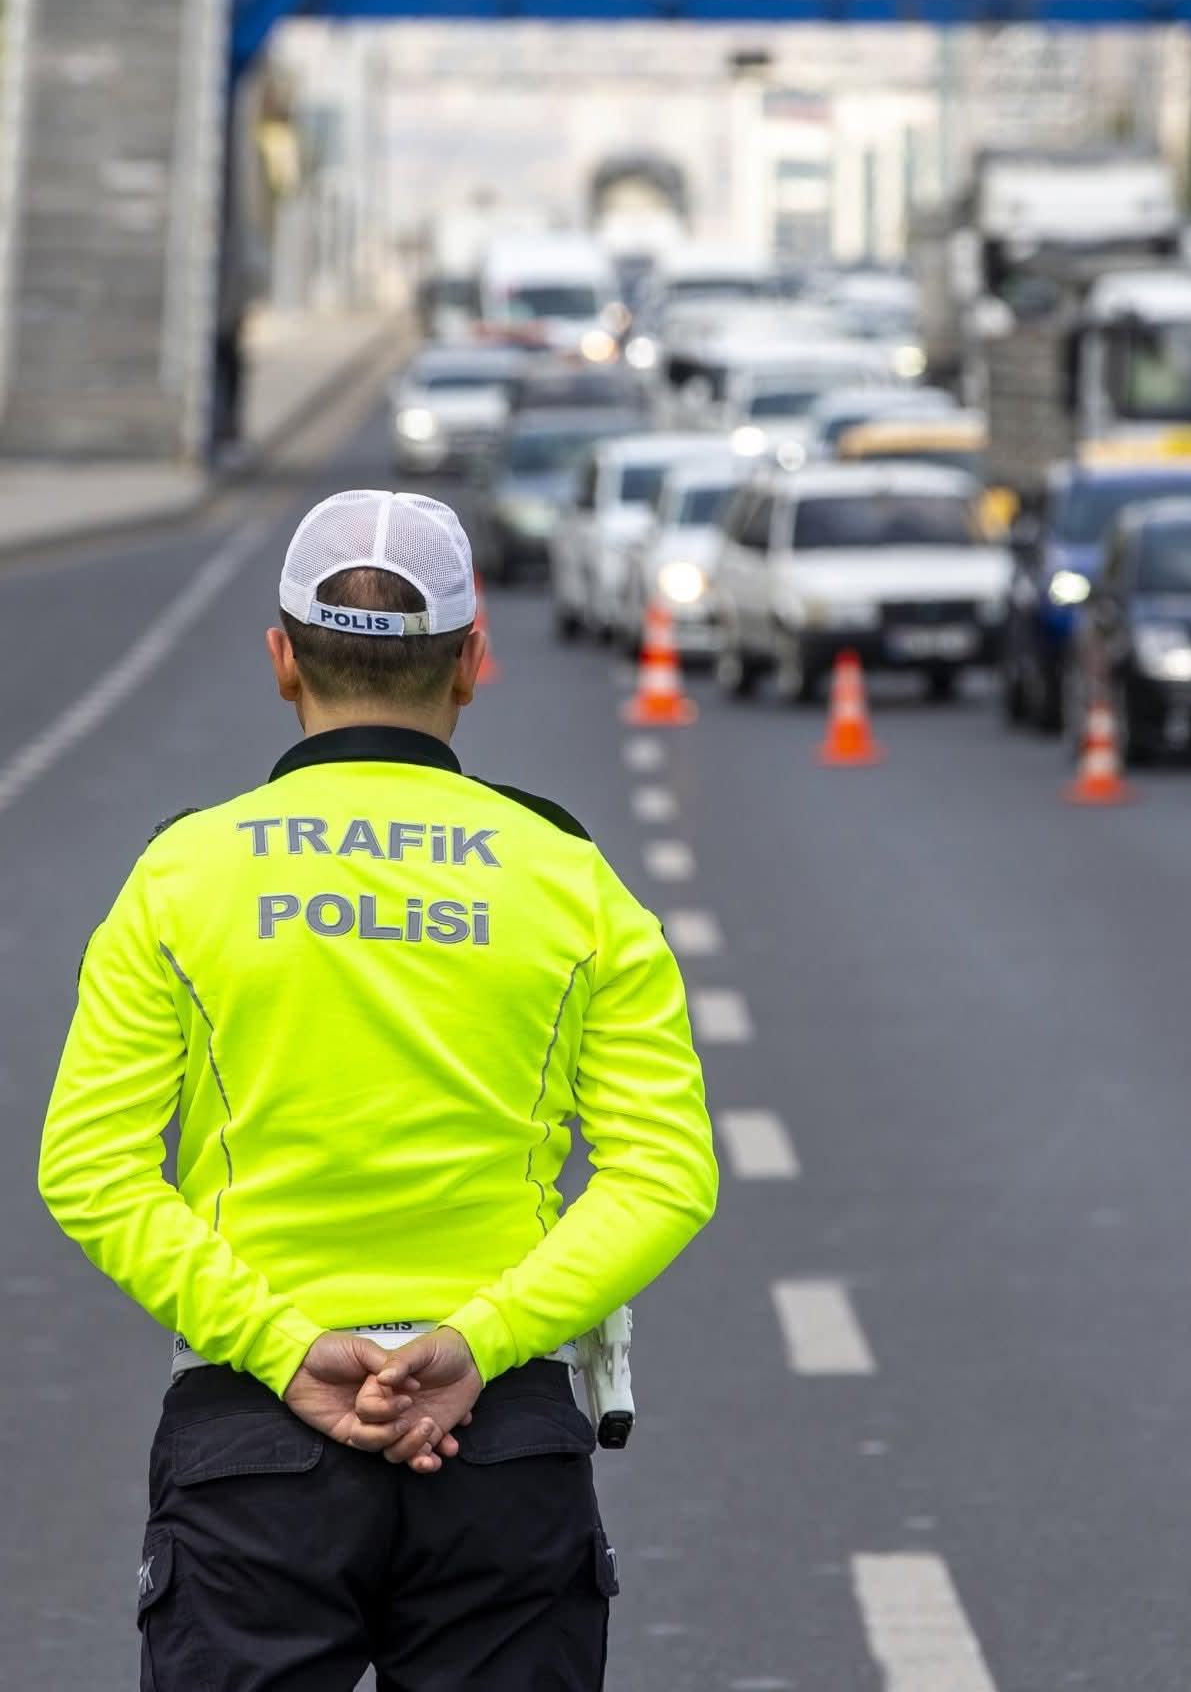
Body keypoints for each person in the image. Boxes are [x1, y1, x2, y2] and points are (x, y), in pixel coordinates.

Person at [39, 489, 718, 1690]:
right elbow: (664, 1173)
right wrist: (477, 1341)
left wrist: (285, 1346)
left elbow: (90, 1169)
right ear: (471, 662)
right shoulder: (571, 878)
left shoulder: (181, 875)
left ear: (281, 659)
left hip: (253, 1433)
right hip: (500, 1433)